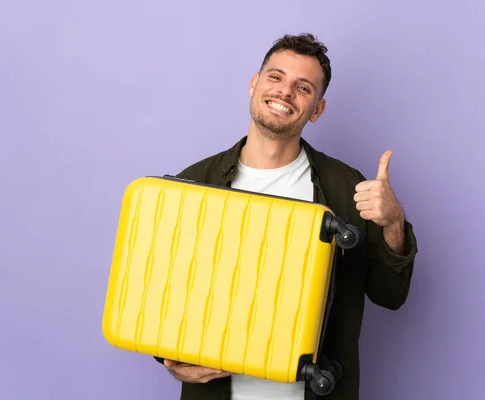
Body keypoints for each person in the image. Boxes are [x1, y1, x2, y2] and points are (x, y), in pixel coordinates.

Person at [154, 33, 418, 400]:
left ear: (318, 109)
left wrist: (392, 222)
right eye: (275, 77)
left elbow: (391, 295)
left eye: (303, 87)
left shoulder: (348, 189)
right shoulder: (194, 183)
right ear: (253, 84)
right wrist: (168, 359)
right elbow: (160, 291)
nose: (284, 92)